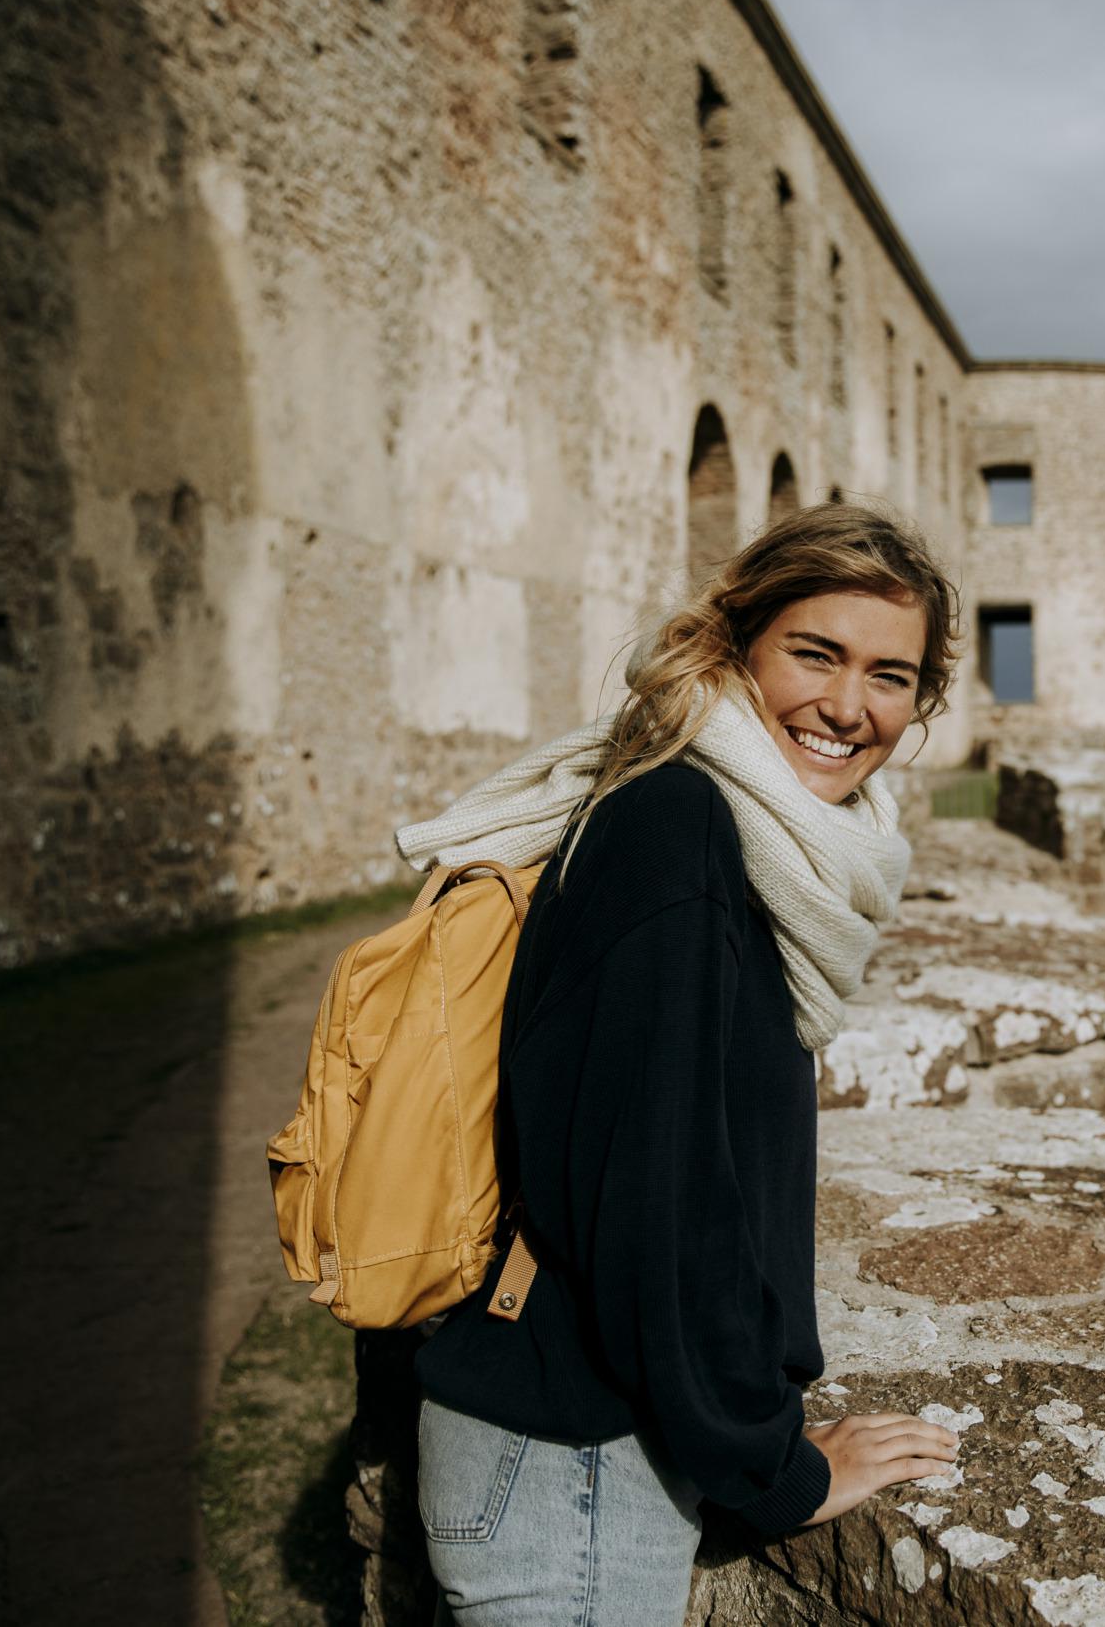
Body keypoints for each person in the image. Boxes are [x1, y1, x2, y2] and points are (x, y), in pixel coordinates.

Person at [391, 503, 967, 1624]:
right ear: (735, 644)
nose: (849, 708)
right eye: (816, 654)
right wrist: (777, 1471)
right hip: (572, 1463)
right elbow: (654, 1203)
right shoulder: (680, 829)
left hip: (566, 1444)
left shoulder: (722, 820)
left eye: (890, 676)